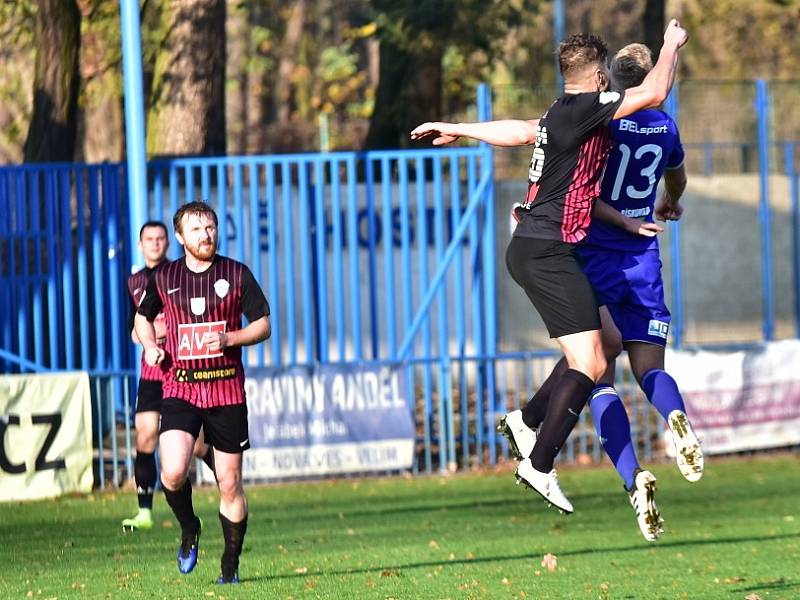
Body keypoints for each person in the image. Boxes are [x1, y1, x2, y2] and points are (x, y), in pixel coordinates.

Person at [411, 20, 688, 514]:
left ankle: (525, 420)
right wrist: (670, 44)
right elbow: (657, 89)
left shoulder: (563, 112)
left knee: (602, 345)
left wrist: (458, 127)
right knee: (592, 361)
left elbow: (519, 131)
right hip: (547, 251)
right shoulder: (588, 109)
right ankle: (538, 463)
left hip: (539, 247)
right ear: (600, 77)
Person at [505, 43, 703, 541]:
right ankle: (675, 417)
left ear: (613, 80)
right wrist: (669, 203)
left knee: (595, 365)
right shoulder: (667, 128)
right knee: (648, 366)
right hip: (642, 259)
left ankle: (632, 479)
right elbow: (677, 180)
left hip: (591, 251)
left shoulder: (605, 120)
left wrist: (536, 201)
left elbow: (576, 185)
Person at [135, 201, 271, 584]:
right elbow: (142, 318)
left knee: (229, 483)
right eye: (196, 229)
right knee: (174, 472)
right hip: (181, 387)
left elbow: (263, 325)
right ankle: (189, 527)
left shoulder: (236, 273)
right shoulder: (163, 277)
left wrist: (231, 337)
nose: (205, 235)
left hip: (226, 389)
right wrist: (149, 345)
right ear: (180, 237)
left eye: (209, 227)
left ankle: (230, 565)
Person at [122, 221, 215, 532]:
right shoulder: (133, 282)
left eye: (160, 238)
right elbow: (132, 329)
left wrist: (170, 331)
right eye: (149, 239)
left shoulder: (176, 275)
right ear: (140, 244)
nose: (155, 243)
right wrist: (148, 338)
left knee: (199, 445)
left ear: (168, 242)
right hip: (152, 372)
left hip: (180, 371)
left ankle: (228, 480)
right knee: (145, 434)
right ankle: (145, 512)